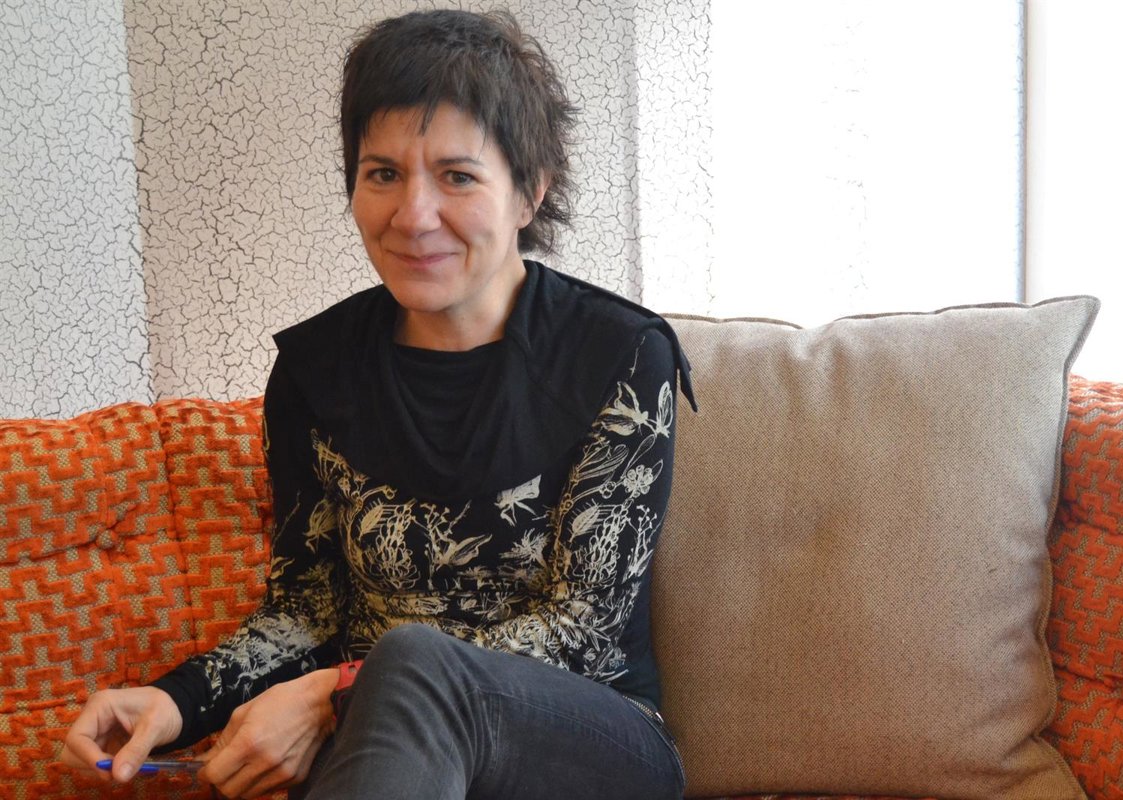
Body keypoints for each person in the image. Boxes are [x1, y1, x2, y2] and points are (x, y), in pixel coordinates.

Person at [61, 8, 695, 800]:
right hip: (387, 751)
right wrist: (176, 702)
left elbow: (582, 629)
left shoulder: (619, 354)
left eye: (457, 176)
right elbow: (305, 609)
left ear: (529, 192)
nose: (412, 216)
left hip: (589, 743)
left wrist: (335, 694)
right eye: (383, 174)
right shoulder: (315, 370)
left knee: (413, 658)